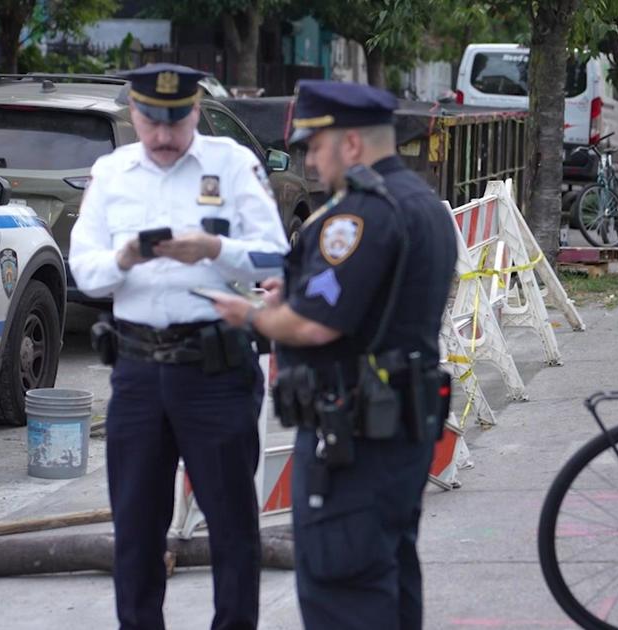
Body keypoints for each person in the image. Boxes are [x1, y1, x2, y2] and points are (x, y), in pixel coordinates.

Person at [210, 80, 457, 630]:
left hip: (354, 439)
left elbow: (315, 325)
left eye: (315, 147)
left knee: (340, 588)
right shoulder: (423, 203)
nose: (311, 162)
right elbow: (378, 306)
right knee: (389, 577)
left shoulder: (358, 215)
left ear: (349, 144)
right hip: (401, 431)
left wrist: (249, 314)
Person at [68, 63, 289, 630]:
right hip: (137, 371)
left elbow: (275, 257)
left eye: (175, 121)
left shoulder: (232, 164)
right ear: (133, 113)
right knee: (137, 530)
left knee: (233, 527)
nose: (163, 136)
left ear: (195, 110)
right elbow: (85, 271)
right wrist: (124, 259)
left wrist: (215, 250)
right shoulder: (111, 172)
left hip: (215, 368)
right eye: (151, 122)